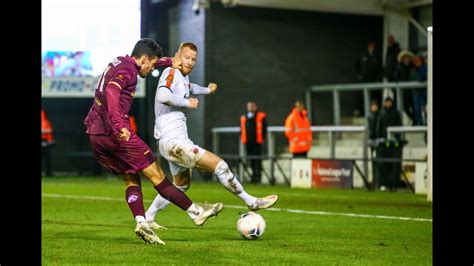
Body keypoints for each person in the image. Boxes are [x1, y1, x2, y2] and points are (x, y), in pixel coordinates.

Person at [83, 38, 223, 245]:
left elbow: (151, 64)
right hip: (115, 131)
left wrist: (168, 61)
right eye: (151, 64)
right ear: (144, 59)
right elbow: (112, 92)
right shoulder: (128, 71)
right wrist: (119, 124)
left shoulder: (120, 61)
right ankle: (196, 212)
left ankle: (141, 222)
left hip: (95, 133)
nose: (150, 70)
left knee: (131, 177)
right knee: (156, 173)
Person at [145, 42, 278, 229]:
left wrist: (207, 90)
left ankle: (149, 218)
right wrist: (187, 103)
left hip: (173, 142)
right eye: (186, 57)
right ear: (177, 56)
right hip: (173, 141)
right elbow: (162, 96)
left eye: (193, 59)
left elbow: (190, 87)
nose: (190, 62)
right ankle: (251, 202)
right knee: (220, 166)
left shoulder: (182, 77)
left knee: (181, 185)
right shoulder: (171, 72)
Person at [240, 101, 267, 184]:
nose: (251, 108)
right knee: (251, 160)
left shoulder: (261, 116)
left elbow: (264, 129)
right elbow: (242, 129)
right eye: (249, 106)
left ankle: (258, 177)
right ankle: (253, 177)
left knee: (257, 160)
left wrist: (262, 138)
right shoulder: (244, 117)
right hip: (248, 142)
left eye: (252, 106)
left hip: (257, 142)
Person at [42, 109, 54, 176]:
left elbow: (50, 130)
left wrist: (44, 131)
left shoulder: (46, 122)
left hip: (46, 142)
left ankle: (48, 172)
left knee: (48, 158)